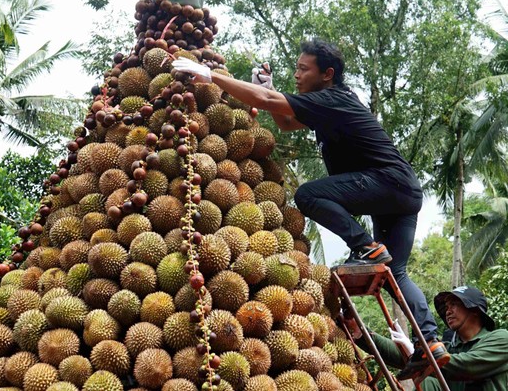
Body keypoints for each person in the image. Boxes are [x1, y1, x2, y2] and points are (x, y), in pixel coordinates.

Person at [172, 38, 447, 364]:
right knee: (396, 273)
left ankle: (365, 245)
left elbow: (264, 99)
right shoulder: (331, 101)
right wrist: (271, 88)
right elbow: (286, 122)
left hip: (386, 183)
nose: (297, 75)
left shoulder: (332, 99)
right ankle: (431, 342)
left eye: (304, 69)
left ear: (327, 73)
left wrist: (211, 76)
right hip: (400, 192)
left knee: (308, 194)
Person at [349, 286, 508, 390]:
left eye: (454, 304)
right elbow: (403, 358)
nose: (448, 311)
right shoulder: (449, 347)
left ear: (474, 310)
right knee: (427, 381)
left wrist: (424, 354)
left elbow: (466, 366)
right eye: (446, 307)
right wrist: (362, 333)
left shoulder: (501, 339)